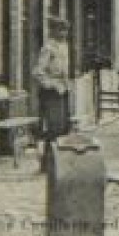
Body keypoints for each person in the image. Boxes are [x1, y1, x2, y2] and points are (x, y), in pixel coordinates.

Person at [33, 15, 72, 145]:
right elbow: (38, 72)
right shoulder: (48, 48)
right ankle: (49, 158)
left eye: (66, 30)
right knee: (54, 128)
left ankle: (59, 160)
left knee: (64, 127)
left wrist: (66, 85)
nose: (64, 33)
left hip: (63, 90)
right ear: (53, 31)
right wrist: (51, 85)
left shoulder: (64, 46)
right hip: (51, 93)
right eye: (61, 30)